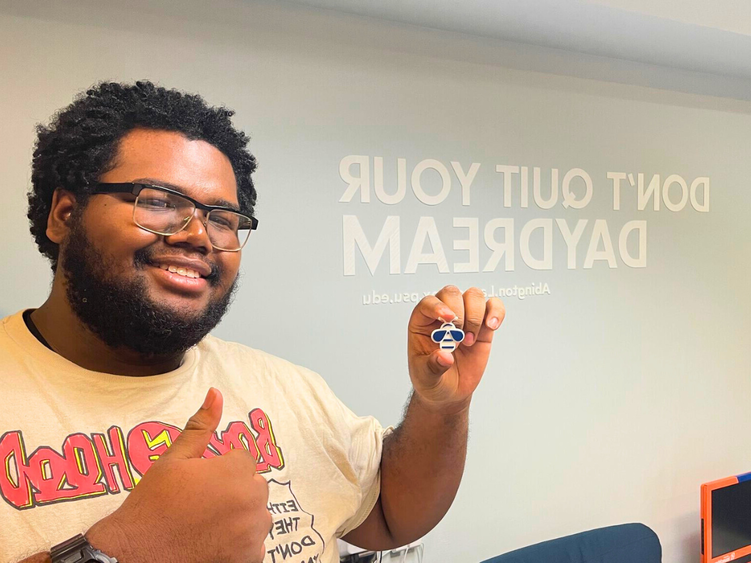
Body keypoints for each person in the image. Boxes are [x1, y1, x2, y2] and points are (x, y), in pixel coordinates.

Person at [0, 81, 505, 563]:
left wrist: (442, 406)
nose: (198, 235)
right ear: (64, 214)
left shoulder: (286, 388)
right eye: (157, 201)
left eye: (221, 218)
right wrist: (120, 554)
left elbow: (391, 514)